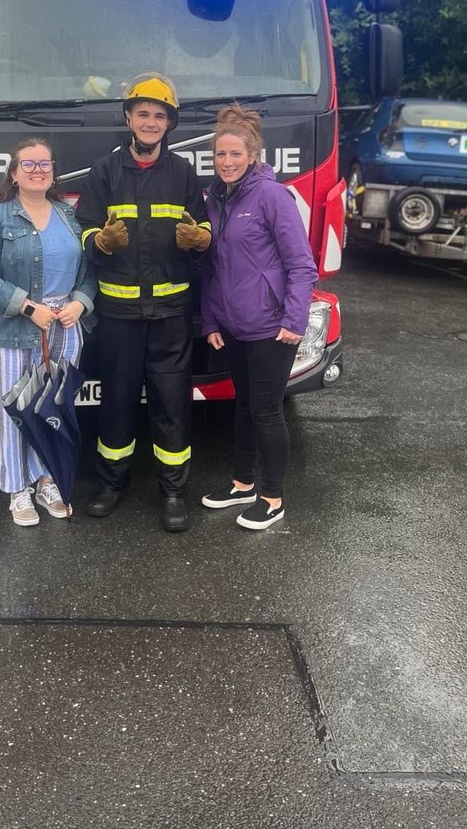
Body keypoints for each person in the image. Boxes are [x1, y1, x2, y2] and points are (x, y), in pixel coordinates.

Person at [76, 73, 212, 533]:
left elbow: (206, 229)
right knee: (115, 401)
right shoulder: (105, 171)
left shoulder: (183, 174)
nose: (151, 122)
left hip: (172, 314)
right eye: (143, 113)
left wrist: (199, 239)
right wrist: (102, 241)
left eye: (160, 115)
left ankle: (173, 492)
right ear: (128, 118)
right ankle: (111, 485)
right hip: (119, 315)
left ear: (169, 124)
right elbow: (85, 230)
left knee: (172, 404)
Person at [200, 104, 318, 530]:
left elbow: (302, 265)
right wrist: (211, 321)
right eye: (220, 155)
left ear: (253, 155)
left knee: (267, 410)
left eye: (235, 154)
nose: (227, 162)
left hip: (272, 328)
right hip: (233, 327)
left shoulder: (272, 197)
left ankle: (272, 498)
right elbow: (214, 267)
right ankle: (242, 483)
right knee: (244, 406)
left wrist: (294, 320)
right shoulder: (215, 199)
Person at [0, 139, 96, 526]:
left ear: (53, 172)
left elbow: (89, 272)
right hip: (12, 328)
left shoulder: (70, 216)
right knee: (12, 412)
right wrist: (28, 307)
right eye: (28, 164)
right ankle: (17, 490)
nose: (37, 169)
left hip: (64, 329)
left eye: (44, 163)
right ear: (14, 173)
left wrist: (80, 303)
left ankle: (46, 480)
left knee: (51, 409)